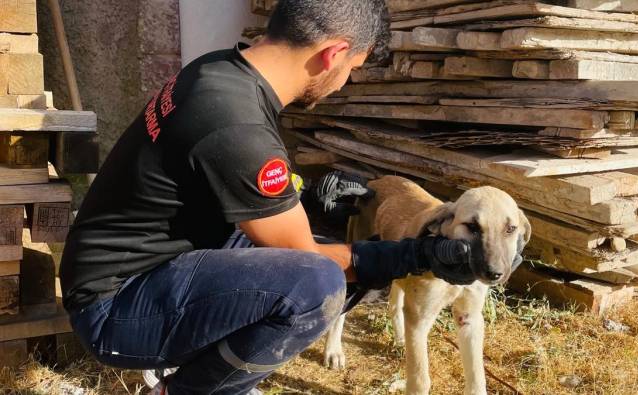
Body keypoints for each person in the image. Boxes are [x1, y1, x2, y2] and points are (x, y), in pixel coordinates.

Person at [58, 1, 481, 394]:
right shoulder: (236, 124)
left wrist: (311, 198)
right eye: (352, 69)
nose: (343, 84)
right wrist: (413, 256)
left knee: (302, 249)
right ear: (333, 53)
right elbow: (308, 261)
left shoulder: (220, 71)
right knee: (316, 284)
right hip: (115, 309)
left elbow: (231, 187)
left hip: (128, 267)